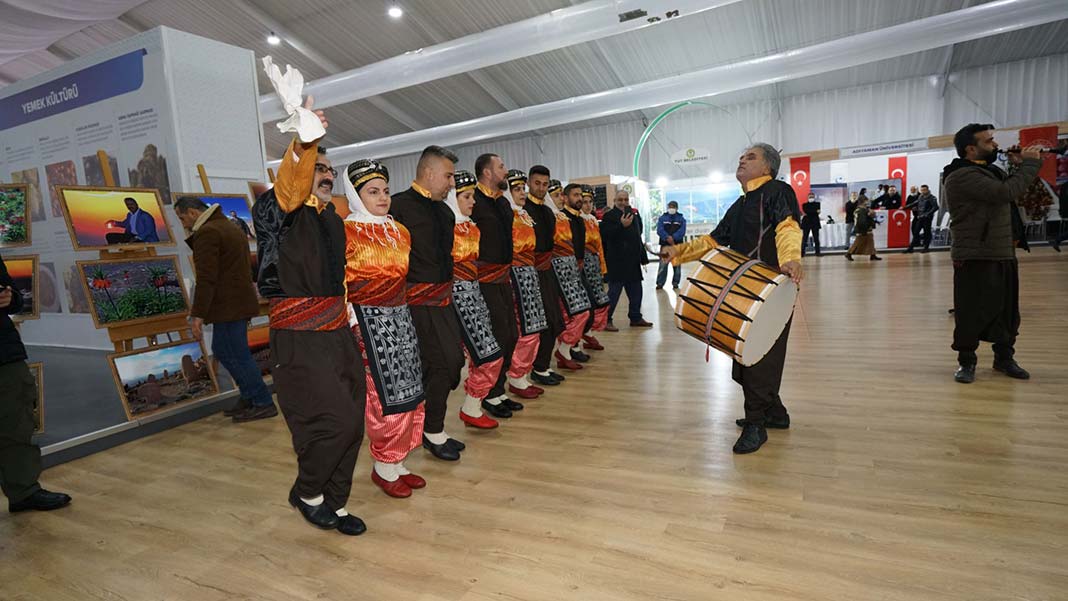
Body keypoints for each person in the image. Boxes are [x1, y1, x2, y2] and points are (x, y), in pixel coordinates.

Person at [251, 105, 366, 536]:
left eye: (329, 169)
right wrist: (304, 141)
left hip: (337, 331)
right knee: (331, 421)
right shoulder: (275, 212)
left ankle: (333, 503)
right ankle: (308, 491)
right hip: (299, 337)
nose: (326, 173)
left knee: (353, 421)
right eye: (318, 166)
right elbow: (290, 189)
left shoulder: (331, 219)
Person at [661, 143, 802, 455]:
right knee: (747, 359)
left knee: (760, 360)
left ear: (768, 167)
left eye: (750, 157)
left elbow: (788, 227)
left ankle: (757, 424)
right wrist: (679, 252)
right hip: (744, 292)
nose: (742, 159)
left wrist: (791, 258)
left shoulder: (778, 191)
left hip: (771, 290)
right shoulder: (741, 203)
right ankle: (774, 412)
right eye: (741, 156)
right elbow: (713, 240)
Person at [341, 160, 427, 498]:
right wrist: (352, 323)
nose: (382, 198)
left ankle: (399, 460)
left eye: (386, 191)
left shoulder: (400, 231)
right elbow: (340, 282)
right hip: (367, 321)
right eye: (372, 192)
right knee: (383, 396)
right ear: (355, 194)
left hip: (401, 318)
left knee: (410, 391)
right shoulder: (346, 231)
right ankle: (383, 465)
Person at [944, 123, 1042, 384]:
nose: (996, 145)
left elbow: (1013, 191)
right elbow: (1005, 192)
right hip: (975, 253)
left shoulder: (990, 171)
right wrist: (1030, 164)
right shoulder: (961, 175)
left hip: (1001, 250)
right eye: (989, 141)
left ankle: (1004, 358)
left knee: (1006, 310)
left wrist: (1019, 165)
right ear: (970, 148)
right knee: (971, 310)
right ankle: (967, 362)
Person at [389, 145, 467, 462]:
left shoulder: (445, 211)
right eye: (448, 176)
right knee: (439, 364)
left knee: (450, 365)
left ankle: (428, 427)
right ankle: (429, 431)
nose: (452, 183)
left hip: (443, 300)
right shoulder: (398, 207)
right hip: (413, 305)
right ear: (429, 172)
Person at [174, 196, 275, 423]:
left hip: (228, 305)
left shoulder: (209, 232)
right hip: (236, 303)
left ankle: (261, 401)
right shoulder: (226, 226)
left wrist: (197, 314)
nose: (182, 223)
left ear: (192, 212)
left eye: (181, 218)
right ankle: (250, 396)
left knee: (235, 353)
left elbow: (207, 278)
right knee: (225, 350)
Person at [0, 254, 72, 514]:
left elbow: (13, 295)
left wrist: (10, 298)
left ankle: (24, 491)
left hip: (4, 352)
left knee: (17, 423)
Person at [446, 170, 504, 430]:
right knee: (474, 357)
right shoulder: (444, 228)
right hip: (452, 299)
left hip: (474, 294)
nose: (473, 202)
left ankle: (472, 406)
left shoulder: (471, 227)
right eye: (467, 197)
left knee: (489, 353)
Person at [470, 154, 525, 420]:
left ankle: (498, 389)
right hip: (483, 280)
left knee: (511, 334)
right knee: (496, 336)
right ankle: (488, 394)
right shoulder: (474, 202)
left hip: (504, 276)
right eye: (501, 167)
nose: (506, 171)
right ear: (487, 173)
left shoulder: (502, 202)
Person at [487, 169, 548, 407]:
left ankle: (521, 373)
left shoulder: (523, 215)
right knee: (521, 330)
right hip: (514, 276)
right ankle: (515, 376)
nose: (522, 193)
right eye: (517, 189)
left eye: (524, 188)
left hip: (529, 273)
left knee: (533, 328)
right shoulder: (507, 216)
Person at [525, 169, 568, 387]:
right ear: (529, 184)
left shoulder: (548, 212)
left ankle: (543, 366)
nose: (541, 188)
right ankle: (534, 368)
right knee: (538, 323)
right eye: (537, 183)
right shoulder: (523, 211)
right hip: (530, 272)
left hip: (547, 270)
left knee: (554, 320)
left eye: (545, 184)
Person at [551, 184, 593, 367]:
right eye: (575, 195)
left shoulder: (579, 219)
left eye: (580, 196)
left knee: (584, 310)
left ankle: (571, 347)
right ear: (565, 198)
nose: (579, 199)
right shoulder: (561, 219)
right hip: (563, 271)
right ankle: (565, 349)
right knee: (577, 311)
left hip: (577, 269)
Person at [600, 189, 652, 329]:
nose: (623, 202)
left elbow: (637, 236)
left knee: (636, 292)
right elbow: (605, 235)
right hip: (617, 262)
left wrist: (643, 257)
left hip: (633, 262)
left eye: (626, 200)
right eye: (620, 200)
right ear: (614, 201)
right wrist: (621, 226)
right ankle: (606, 320)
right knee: (614, 293)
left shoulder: (634, 215)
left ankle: (635, 318)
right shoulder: (609, 216)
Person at [579, 192, 610, 350]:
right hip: (583, 264)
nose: (588, 205)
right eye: (584, 202)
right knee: (587, 302)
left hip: (595, 263)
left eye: (590, 202)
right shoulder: (578, 220)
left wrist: (602, 266)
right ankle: (582, 335)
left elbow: (599, 247)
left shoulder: (592, 220)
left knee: (600, 300)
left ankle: (589, 331)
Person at [655, 200, 686, 289]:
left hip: (677, 245)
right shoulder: (662, 218)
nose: (671, 208)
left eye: (673, 207)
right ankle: (660, 283)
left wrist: (674, 238)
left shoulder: (681, 219)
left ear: (676, 208)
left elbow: (682, 231)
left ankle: (675, 282)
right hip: (665, 245)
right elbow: (659, 230)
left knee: (677, 265)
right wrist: (667, 238)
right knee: (663, 265)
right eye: (670, 206)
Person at [904, 185, 939, 253]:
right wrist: (905, 207)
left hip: (927, 218)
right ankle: (911, 248)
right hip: (920, 217)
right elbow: (915, 203)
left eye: (924, 190)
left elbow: (936, 207)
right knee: (916, 232)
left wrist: (927, 214)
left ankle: (926, 247)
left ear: (927, 189)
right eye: (922, 190)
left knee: (927, 233)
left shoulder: (932, 197)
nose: (923, 191)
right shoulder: (920, 197)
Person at [800, 192, 822, 257]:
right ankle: (802, 253)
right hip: (806, 223)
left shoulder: (818, 204)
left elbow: (811, 212)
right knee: (804, 238)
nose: (811, 198)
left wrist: (811, 212)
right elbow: (807, 211)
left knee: (816, 239)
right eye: (810, 197)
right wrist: (814, 211)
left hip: (815, 223)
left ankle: (818, 253)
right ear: (808, 197)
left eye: (812, 197)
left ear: (814, 197)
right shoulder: (804, 205)